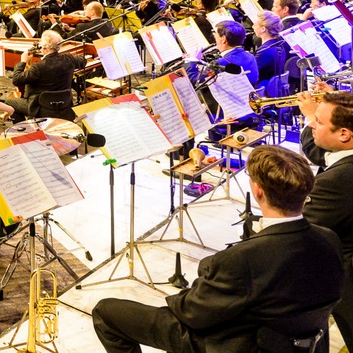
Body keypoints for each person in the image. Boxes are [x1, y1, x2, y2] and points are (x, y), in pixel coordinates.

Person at [92, 145, 343, 353]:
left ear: (257, 191)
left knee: (107, 312)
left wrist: (194, 284)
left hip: (238, 344)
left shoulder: (241, 260)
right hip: (302, 343)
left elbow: (193, 313)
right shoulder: (328, 239)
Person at [298, 90, 353, 347]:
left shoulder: (336, 181)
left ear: (344, 133)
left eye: (318, 122)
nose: (313, 126)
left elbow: (303, 233)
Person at [4, 30, 84, 121]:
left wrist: (23, 61)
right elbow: (82, 61)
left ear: (45, 47)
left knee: (9, 102)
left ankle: (24, 129)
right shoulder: (69, 59)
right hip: (64, 105)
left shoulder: (39, 67)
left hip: (40, 108)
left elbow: (17, 80)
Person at [252, 11, 289, 86]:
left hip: (265, 89)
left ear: (263, 29)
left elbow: (253, 75)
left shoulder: (264, 52)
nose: (252, 27)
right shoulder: (279, 45)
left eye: (255, 24)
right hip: (274, 86)